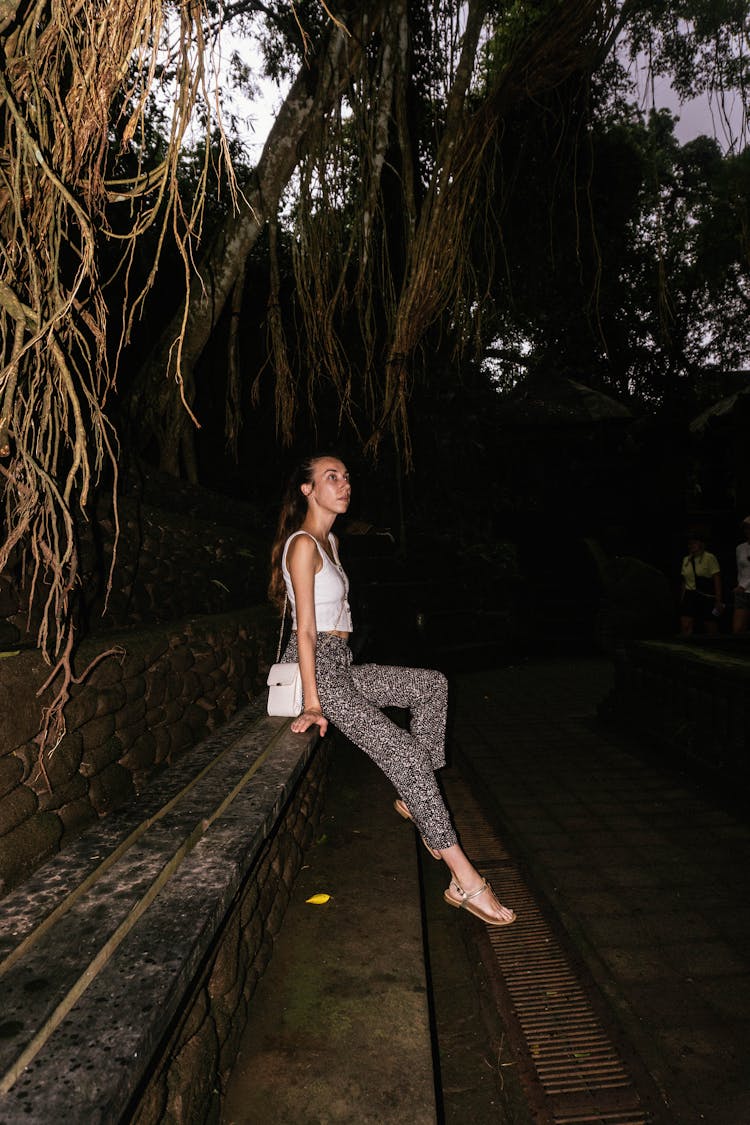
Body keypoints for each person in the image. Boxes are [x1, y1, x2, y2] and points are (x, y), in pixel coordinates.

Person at [268, 453, 515, 927]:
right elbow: (303, 631)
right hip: (317, 670)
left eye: (346, 477)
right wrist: (316, 702)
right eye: (331, 477)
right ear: (306, 490)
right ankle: (464, 879)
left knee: (431, 686)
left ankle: (415, 800)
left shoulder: (332, 542)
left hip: (341, 664)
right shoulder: (303, 544)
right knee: (405, 755)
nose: (344, 484)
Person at [679, 529, 723, 637]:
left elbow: (717, 580)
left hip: (705, 595)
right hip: (690, 595)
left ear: (701, 544)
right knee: (685, 625)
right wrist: (682, 600)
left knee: (710, 627)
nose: (691, 545)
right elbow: (684, 581)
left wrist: (719, 601)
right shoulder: (686, 560)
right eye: (690, 543)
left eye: (694, 542)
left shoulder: (709, 557)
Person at [732, 516, 750, 635]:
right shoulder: (740, 548)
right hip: (742, 593)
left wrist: (744, 585)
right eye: (746, 528)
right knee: (737, 630)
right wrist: (740, 586)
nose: (747, 531)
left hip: (745, 588)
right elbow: (740, 570)